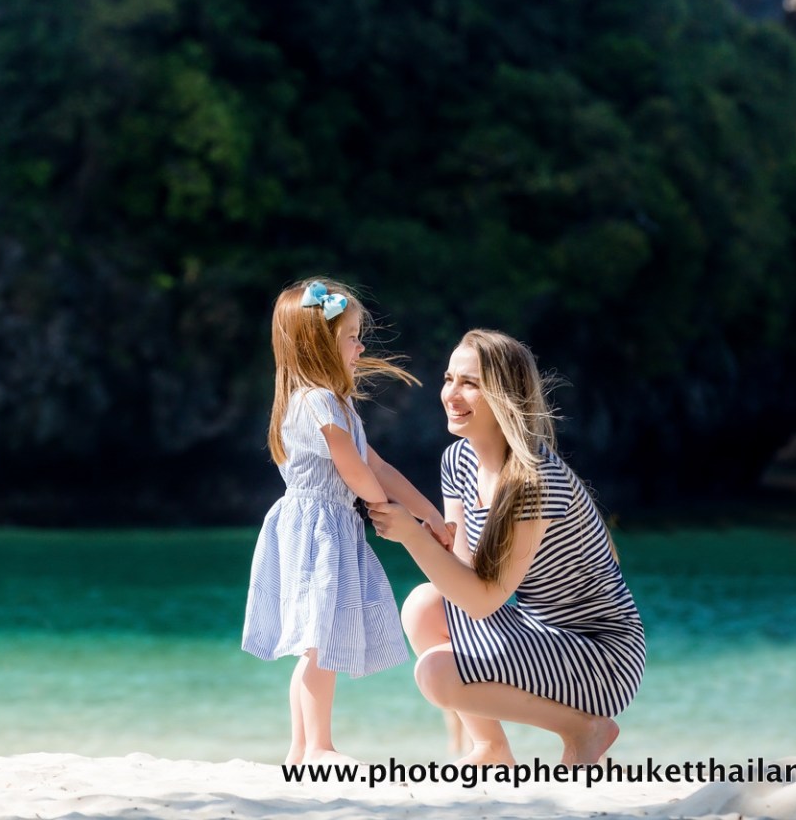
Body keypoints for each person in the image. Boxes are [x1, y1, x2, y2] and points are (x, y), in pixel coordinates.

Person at [368, 329, 644, 766]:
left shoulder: (536, 480)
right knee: (423, 605)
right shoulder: (458, 461)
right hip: (538, 635)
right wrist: (424, 534)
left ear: (506, 395)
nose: (451, 394)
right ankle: (491, 748)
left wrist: (413, 537)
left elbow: (483, 601)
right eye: (448, 378)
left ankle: (585, 729)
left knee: (436, 674)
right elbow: (461, 578)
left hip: (600, 655)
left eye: (470, 383)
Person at [242, 277, 452, 766]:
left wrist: (428, 513)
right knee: (320, 642)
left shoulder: (338, 405)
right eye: (352, 335)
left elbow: (376, 465)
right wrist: (384, 510)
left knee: (317, 641)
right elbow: (352, 467)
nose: (360, 345)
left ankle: (301, 749)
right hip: (317, 528)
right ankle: (317, 746)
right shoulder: (316, 401)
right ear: (320, 343)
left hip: (329, 524)